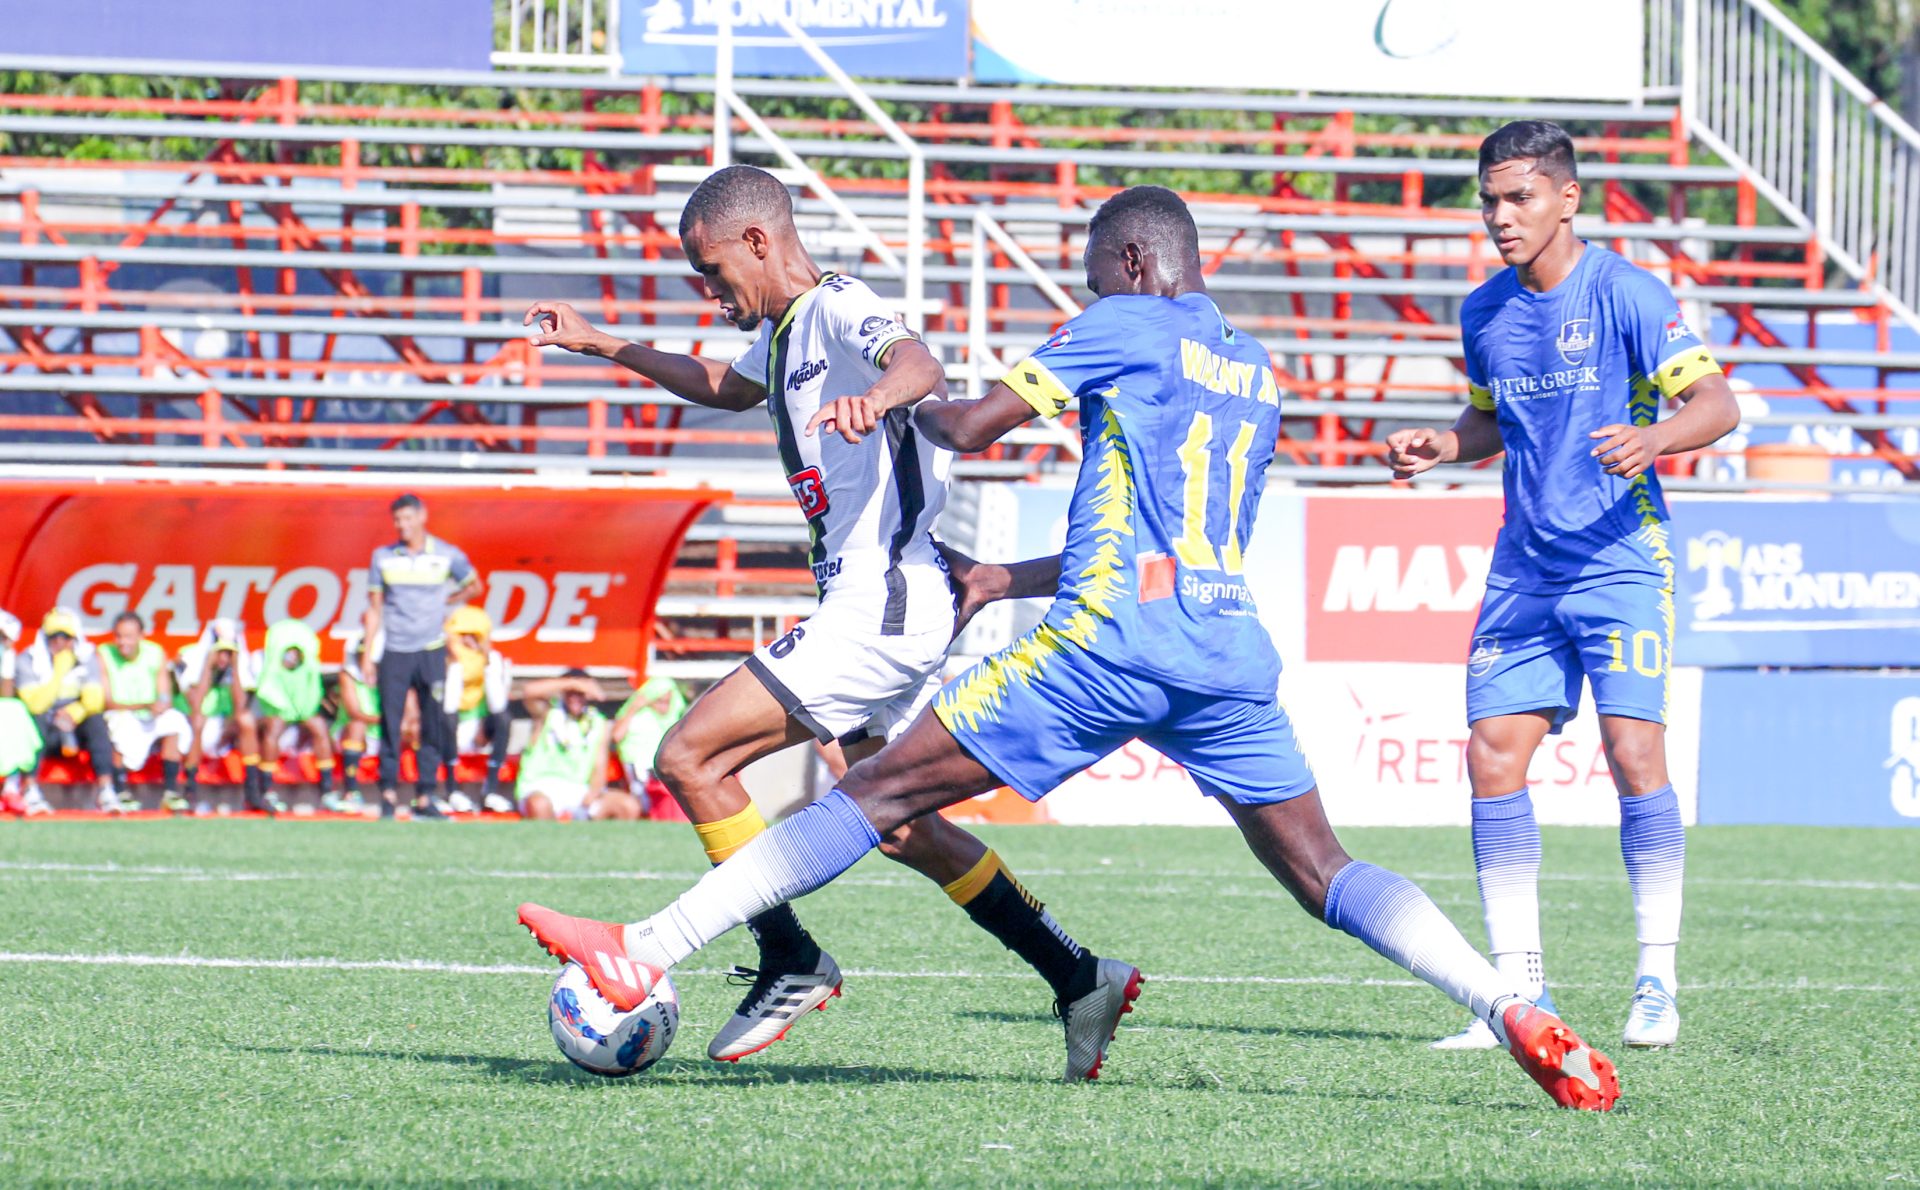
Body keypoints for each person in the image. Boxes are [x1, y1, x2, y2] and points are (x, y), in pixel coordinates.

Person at [519, 186, 1620, 1109]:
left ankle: (647, 948)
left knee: (872, 795)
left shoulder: (1124, 322)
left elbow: (962, 422)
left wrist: (895, 406)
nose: (1092, 294)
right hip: (1223, 652)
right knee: (1326, 871)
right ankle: (1507, 1005)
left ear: (1133, 263)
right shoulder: (1255, 368)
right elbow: (1168, 538)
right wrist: (1000, 577)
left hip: (1103, 649)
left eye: (1096, 276)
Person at [524, 163, 1128, 1074]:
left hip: (878, 604)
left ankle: (788, 957)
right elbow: (723, 387)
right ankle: (1078, 975)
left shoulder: (840, 305)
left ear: (758, 241)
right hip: (884, 600)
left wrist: (878, 398)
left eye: (714, 271)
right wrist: (604, 344)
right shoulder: (784, 336)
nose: (711, 290)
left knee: (689, 755)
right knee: (899, 823)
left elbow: (919, 364)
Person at [1386, 121, 1738, 1053]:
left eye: (1520, 197)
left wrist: (1655, 438)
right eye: (1489, 201)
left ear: (1567, 198)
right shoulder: (1484, 311)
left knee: (1633, 753)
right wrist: (1443, 443)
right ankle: (1515, 995)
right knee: (1493, 756)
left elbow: (1717, 404)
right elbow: (1492, 420)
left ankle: (1656, 981)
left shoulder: (1626, 292)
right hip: (1525, 566)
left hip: (1621, 557)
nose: (1500, 217)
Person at [363, 493, 479, 820]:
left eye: (407, 518)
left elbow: (474, 586)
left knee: (433, 723)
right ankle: (387, 793)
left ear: (422, 516)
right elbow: (374, 609)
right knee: (390, 723)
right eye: (397, 519)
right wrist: (368, 654)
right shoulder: (383, 557)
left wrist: (447, 602)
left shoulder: (446, 554)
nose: (402, 525)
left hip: (430, 650)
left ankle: (426, 796)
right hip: (395, 650)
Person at [15, 608, 118, 813]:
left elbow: (94, 700)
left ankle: (106, 789)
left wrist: (74, 712)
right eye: (53, 636)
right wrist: (59, 671)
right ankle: (30, 789)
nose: (59, 642)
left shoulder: (86, 657)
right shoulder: (28, 659)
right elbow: (35, 705)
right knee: (35, 720)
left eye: (66, 637)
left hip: (74, 728)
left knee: (96, 720)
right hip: (46, 729)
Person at [94, 611, 194, 814]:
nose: (123, 642)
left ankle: (170, 792)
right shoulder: (104, 654)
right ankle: (120, 791)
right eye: (119, 636)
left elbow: (165, 695)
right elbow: (107, 702)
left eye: (128, 636)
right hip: (121, 713)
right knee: (117, 723)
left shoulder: (155, 652)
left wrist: (160, 705)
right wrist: (143, 706)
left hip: (149, 715)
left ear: (141, 635)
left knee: (174, 720)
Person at [513, 669, 636, 821]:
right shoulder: (548, 713)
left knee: (628, 806)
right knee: (539, 804)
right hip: (541, 787)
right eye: (570, 693)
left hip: (578, 788)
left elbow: (599, 764)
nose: (575, 698)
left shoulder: (597, 722)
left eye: (580, 694)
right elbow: (529, 691)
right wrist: (573, 683)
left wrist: (594, 791)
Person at [174, 619, 258, 815]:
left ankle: (253, 792)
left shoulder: (239, 664)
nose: (224, 658)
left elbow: (240, 705)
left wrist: (235, 669)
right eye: (221, 652)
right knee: (199, 721)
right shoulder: (188, 657)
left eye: (228, 653)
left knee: (246, 720)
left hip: (222, 728)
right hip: (190, 726)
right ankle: (190, 790)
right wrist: (207, 667)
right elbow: (196, 705)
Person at [252, 619, 335, 817]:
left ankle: (327, 791)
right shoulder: (263, 662)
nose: (292, 658)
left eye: (295, 654)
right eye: (288, 654)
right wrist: (285, 711)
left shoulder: (308, 667)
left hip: (300, 713)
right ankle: (266, 790)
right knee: (274, 727)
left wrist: (302, 712)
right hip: (274, 713)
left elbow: (311, 694)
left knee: (320, 727)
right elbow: (267, 693)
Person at [442, 605, 514, 815]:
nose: (468, 641)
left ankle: (489, 790)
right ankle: (452, 789)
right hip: (447, 727)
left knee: (504, 719)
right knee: (448, 721)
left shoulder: (494, 660)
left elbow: (498, 705)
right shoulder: (441, 660)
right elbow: (447, 704)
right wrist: (456, 664)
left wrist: (486, 661)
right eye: (462, 636)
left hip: (478, 726)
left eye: (474, 636)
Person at [610, 675, 687, 819]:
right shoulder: (638, 716)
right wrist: (634, 708)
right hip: (639, 766)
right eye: (659, 701)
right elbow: (616, 736)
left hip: (662, 766)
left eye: (667, 702)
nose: (664, 706)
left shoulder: (674, 717)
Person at [0, 609, 50, 817]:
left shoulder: (7, 653)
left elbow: (6, 694)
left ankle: (12, 787)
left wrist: (7, 655)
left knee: (15, 711)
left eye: (3, 638)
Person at [330, 634, 381, 814]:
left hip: (382, 731)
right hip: (351, 729)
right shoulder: (348, 675)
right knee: (357, 727)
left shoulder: (390, 672)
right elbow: (354, 712)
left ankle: (423, 793)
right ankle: (351, 792)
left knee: (413, 729)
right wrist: (387, 720)